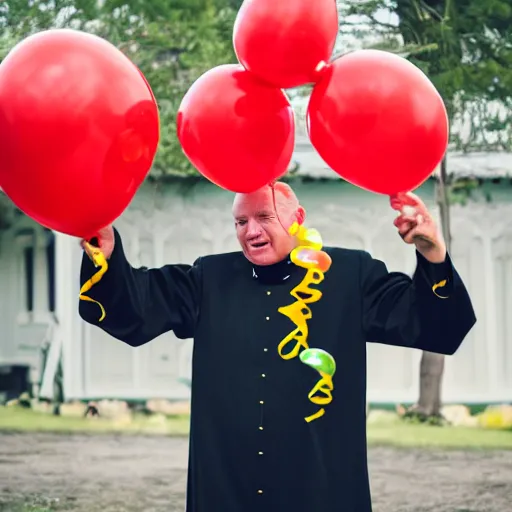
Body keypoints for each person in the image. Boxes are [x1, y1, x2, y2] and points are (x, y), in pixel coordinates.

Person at [78, 182, 476, 512]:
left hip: (320, 490)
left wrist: (432, 253)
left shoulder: (350, 276)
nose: (251, 231)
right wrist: (106, 255)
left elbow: (436, 326)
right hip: (228, 488)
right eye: (240, 221)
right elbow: (135, 307)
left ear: (297, 219)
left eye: (263, 217)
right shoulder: (208, 279)